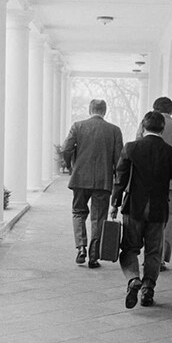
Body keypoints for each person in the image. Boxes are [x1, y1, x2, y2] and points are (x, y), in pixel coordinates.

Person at [111, 111, 172, 308]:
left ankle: (133, 280)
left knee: (129, 249)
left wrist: (114, 204)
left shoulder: (131, 148)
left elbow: (120, 178)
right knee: (154, 251)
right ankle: (148, 287)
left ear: (143, 126)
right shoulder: (171, 153)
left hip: (134, 208)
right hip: (159, 209)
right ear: (163, 128)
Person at [63, 99, 124, 268]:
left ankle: (81, 247)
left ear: (90, 109)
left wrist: (71, 166)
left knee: (78, 212)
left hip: (80, 178)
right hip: (103, 181)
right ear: (105, 111)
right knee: (98, 218)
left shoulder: (78, 126)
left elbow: (66, 149)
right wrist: (118, 181)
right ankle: (93, 256)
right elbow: (120, 160)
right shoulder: (114, 130)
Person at [135, 97, 172, 271]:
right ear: (171, 110)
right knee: (167, 221)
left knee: (147, 218)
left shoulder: (144, 125)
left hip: (146, 182)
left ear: (153, 109)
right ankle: (159, 258)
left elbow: (137, 151)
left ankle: (148, 254)